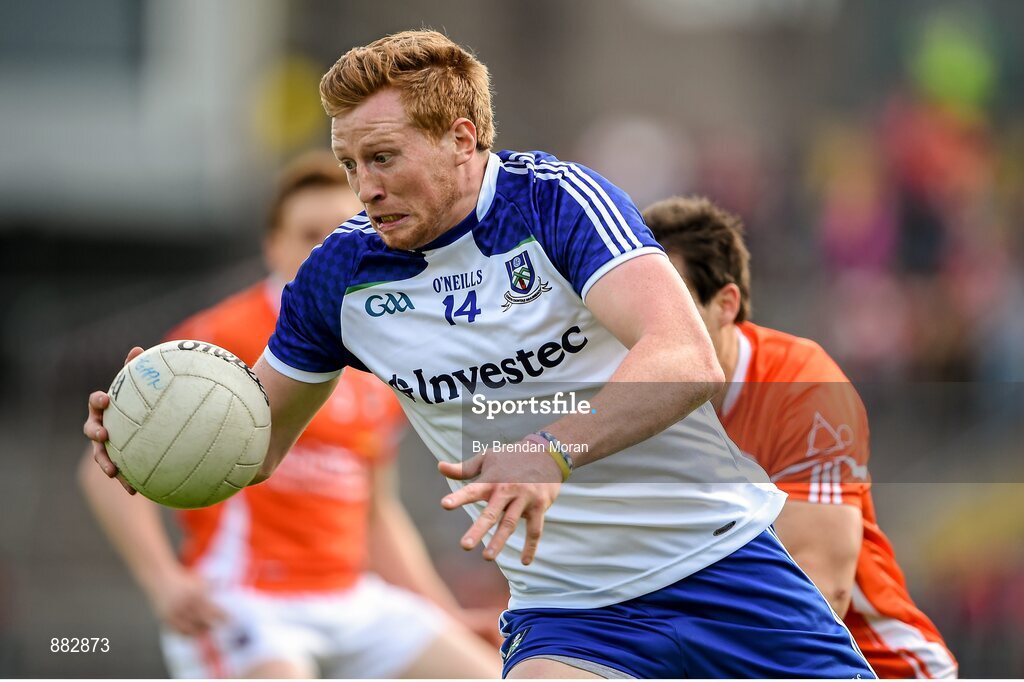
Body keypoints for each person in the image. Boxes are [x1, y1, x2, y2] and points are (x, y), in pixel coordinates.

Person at [85, 30, 875, 679]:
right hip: (570, 617)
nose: (364, 187)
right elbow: (256, 443)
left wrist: (543, 454)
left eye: (384, 157)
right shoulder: (338, 276)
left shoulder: (555, 200)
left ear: (462, 139)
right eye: (352, 162)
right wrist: (153, 439)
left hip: (721, 570)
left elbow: (684, 354)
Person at [78, 152, 500, 679]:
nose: (325, 251)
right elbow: (104, 472)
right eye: (308, 235)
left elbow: (377, 512)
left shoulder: (382, 342)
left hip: (352, 599)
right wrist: (165, 581)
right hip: (249, 602)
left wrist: (447, 618)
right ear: (272, 245)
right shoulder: (216, 343)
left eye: (343, 232)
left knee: (493, 672)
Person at [643, 195, 958, 678]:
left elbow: (819, 592)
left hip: (876, 663)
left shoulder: (802, 387)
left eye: (676, 300)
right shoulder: (631, 398)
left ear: (726, 304)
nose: (653, 325)